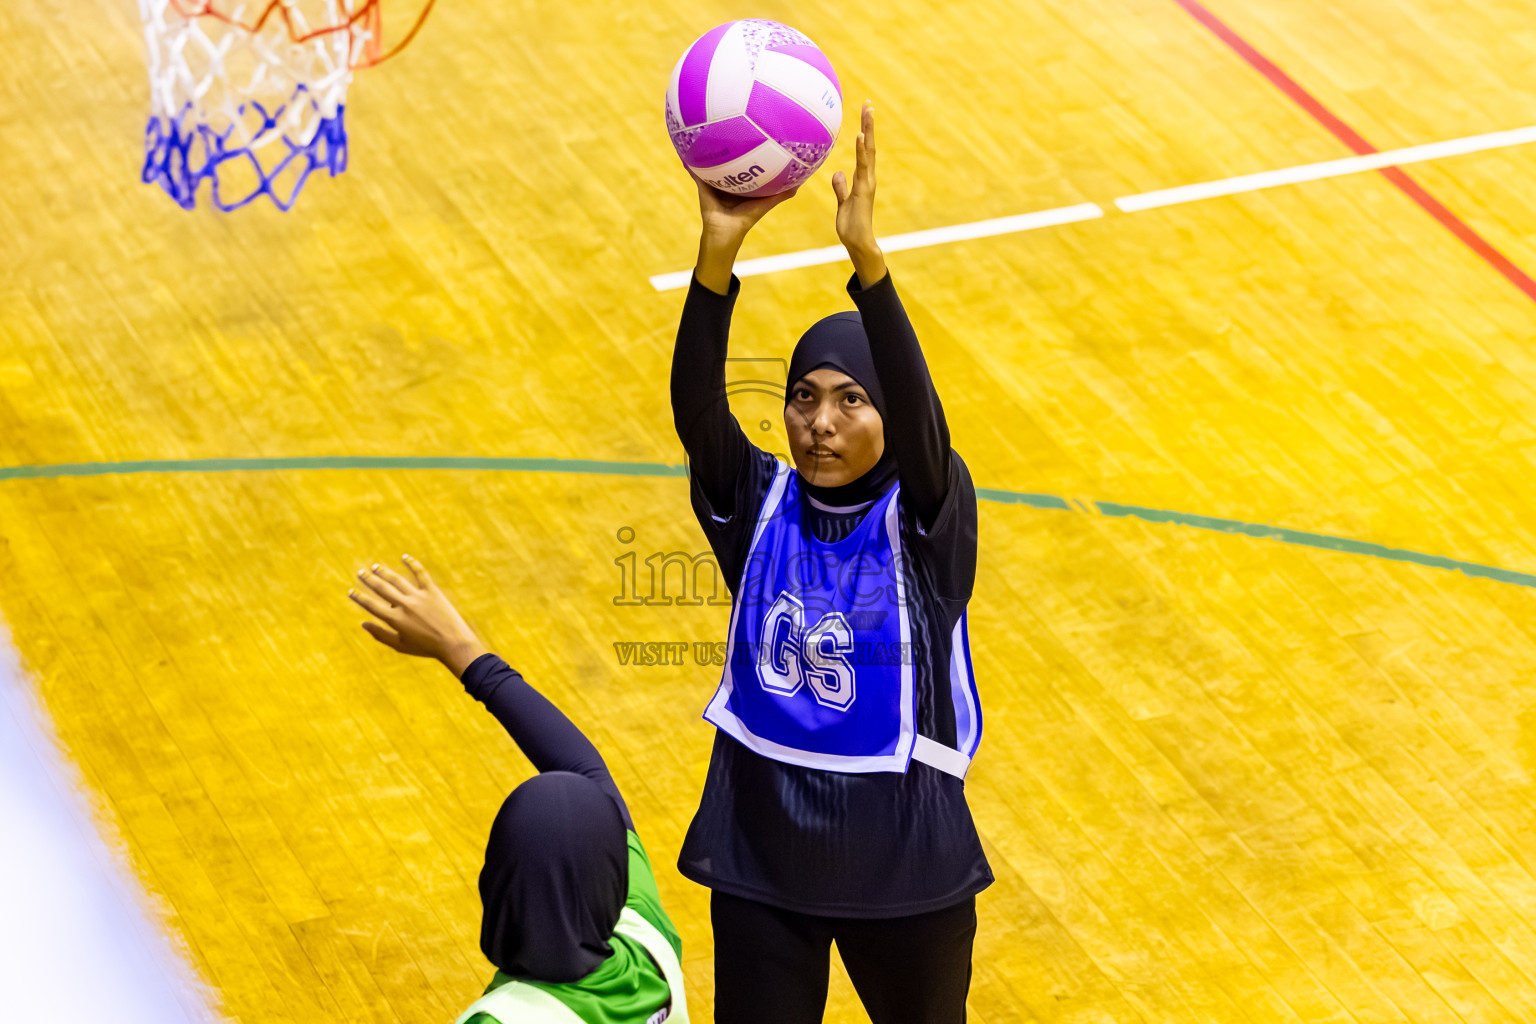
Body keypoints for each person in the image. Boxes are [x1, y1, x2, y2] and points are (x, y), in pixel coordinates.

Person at [669, 103, 990, 1024]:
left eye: (853, 401)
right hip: (762, 849)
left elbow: (928, 427)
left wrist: (870, 269)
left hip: (904, 857)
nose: (821, 421)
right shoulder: (757, 501)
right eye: (803, 398)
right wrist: (717, 252)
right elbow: (698, 415)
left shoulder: (929, 519)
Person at [349, 556, 688, 1024]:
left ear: (494, 886)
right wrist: (463, 651)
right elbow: (586, 773)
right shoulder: (648, 939)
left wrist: (460, 650)